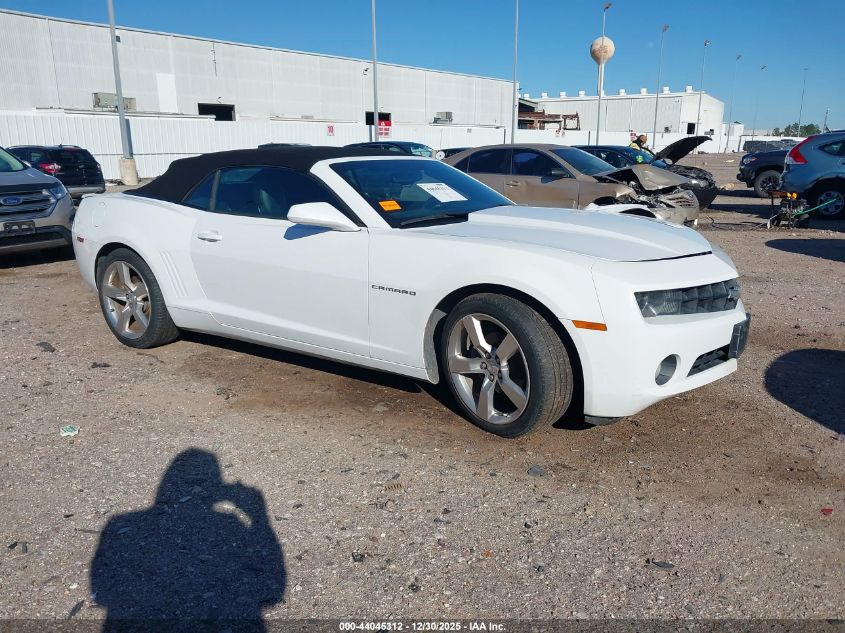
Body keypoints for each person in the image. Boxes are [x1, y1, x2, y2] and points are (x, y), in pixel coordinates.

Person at [91, 449, 286, 632]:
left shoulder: (120, 524)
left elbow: (102, 591)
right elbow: (272, 588)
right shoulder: (231, 524)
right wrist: (259, 514)